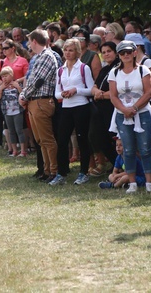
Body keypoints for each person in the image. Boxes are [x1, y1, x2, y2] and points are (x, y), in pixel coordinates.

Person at [108, 40, 151, 194]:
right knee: (128, 149)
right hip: (122, 114)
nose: (126, 55)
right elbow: (113, 95)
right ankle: (132, 183)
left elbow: (148, 92)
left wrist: (135, 108)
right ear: (119, 55)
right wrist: (124, 109)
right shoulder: (114, 72)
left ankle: (149, 182)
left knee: (145, 148)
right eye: (122, 53)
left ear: (134, 52)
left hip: (142, 112)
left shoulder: (143, 70)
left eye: (129, 52)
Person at [20, 29, 60, 182]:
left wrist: (23, 95)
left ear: (34, 41)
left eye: (30, 41)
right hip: (34, 101)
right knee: (40, 140)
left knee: (47, 139)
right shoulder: (39, 57)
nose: (29, 44)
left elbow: (38, 81)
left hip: (42, 101)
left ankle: (54, 171)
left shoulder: (46, 57)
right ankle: (47, 169)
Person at [53, 38, 94, 186]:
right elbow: (57, 93)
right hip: (66, 108)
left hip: (81, 106)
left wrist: (76, 90)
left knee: (82, 139)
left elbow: (91, 90)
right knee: (62, 140)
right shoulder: (60, 70)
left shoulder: (84, 68)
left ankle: (84, 172)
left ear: (77, 52)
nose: (68, 53)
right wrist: (63, 94)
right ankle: (61, 173)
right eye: (66, 50)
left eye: (71, 50)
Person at [91, 41, 120, 168]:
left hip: (113, 107)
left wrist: (102, 95)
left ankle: (121, 166)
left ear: (115, 52)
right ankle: (115, 164)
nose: (106, 54)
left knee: (114, 138)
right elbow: (94, 86)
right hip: (100, 108)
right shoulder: (105, 69)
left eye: (109, 51)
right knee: (98, 138)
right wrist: (97, 92)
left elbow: (118, 91)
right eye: (103, 52)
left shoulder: (120, 68)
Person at [0, 66, 26, 157]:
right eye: (2, 76)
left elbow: (24, 96)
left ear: (11, 75)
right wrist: (0, 90)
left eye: (6, 76)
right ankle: (14, 151)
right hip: (7, 112)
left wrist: (18, 88)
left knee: (19, 130)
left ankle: (23, 151)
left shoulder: (17, 84)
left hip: (17, 111)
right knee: (11, 131)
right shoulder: (1, 87)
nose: (4, 78)